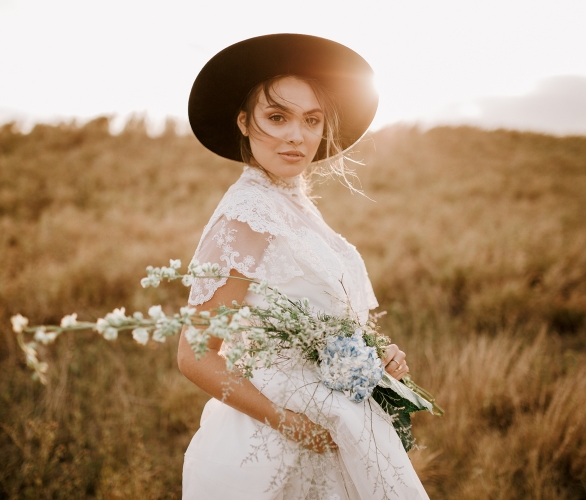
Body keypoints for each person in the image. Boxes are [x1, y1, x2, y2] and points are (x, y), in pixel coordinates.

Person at [177, 34, 429, 499]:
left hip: (335, 423)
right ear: (244, 122)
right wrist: (290, 425)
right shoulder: (246, 215)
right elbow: (194, 355)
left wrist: (375, 356)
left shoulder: (292, 204)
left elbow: (326, 316)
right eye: (277, 117)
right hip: (274, 449)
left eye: (311, 120)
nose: (297, 135)